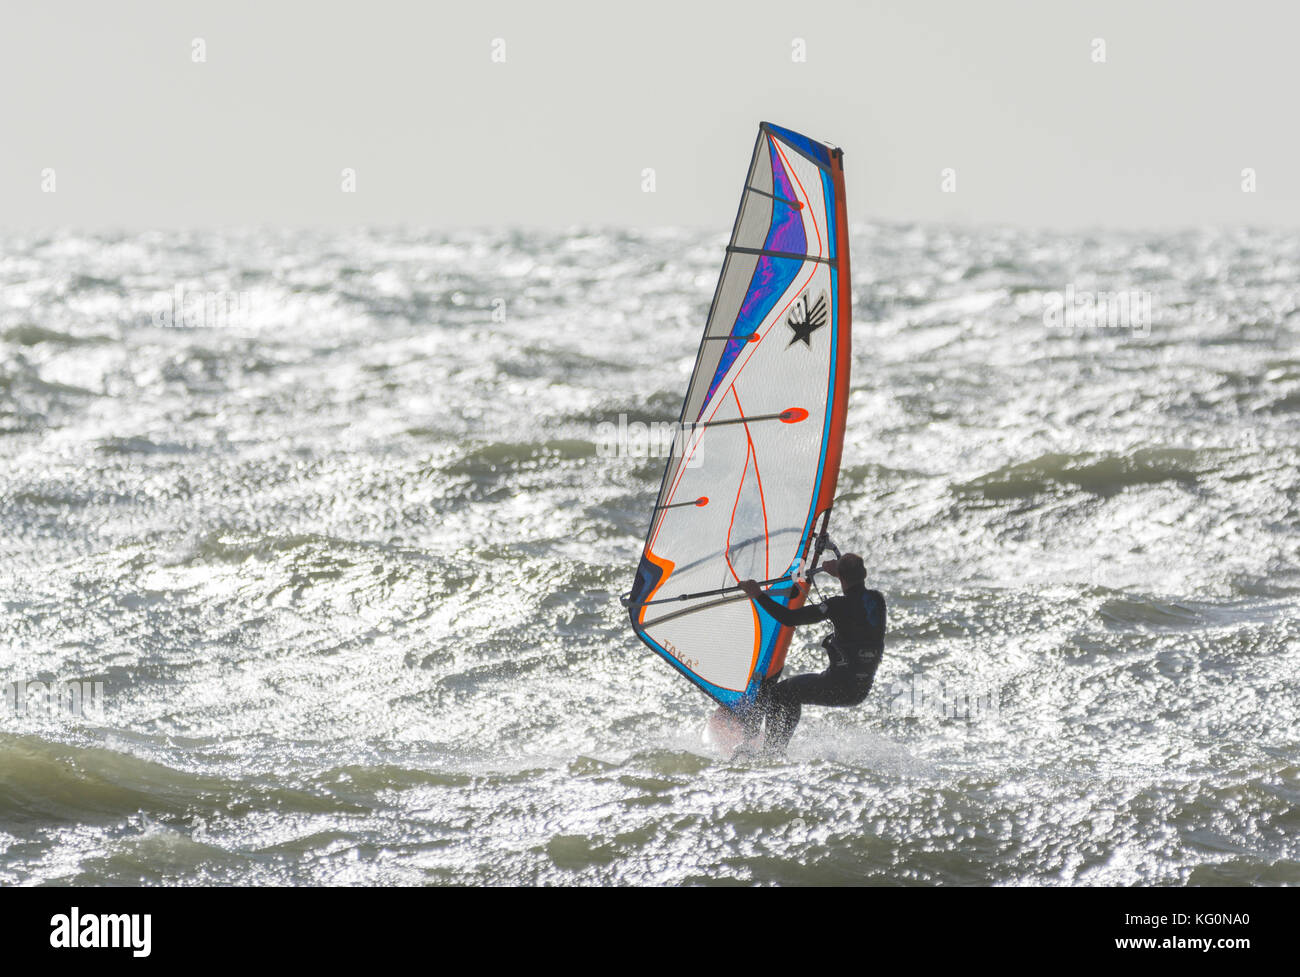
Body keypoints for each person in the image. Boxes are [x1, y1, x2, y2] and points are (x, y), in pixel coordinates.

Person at [737, 553, 885, 753]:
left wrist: (758, 595)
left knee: (779, 694)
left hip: (838, 686)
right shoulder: (877, 600)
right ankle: (774, 750)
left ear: (840, 577)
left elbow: (789, 618)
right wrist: (840, 571)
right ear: (864, 574)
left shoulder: (837, 606)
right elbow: (855, 592)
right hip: (861, 689)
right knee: (789, 694)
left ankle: (771, 751)